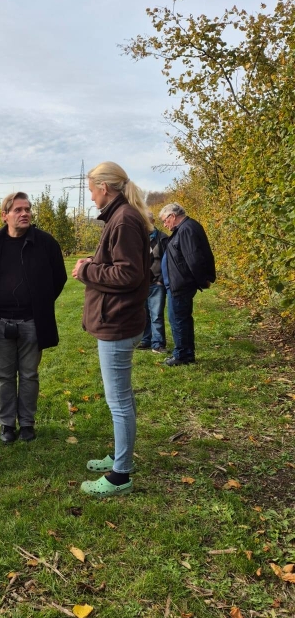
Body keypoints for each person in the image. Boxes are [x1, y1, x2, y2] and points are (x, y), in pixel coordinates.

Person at [72, 162, 151, 498]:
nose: (91, 196)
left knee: (118, 401)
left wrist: (86, 272)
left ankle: (120, 475)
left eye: (91, 190)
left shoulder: (123, 219)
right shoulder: (122, 216)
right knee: (122, 398)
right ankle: (120, 456)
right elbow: (121, 265)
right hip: (119, 319)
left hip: (117, 322)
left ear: (104, 187)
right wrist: (92, 264)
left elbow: (128, 274)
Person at [0, 192, 67, 444]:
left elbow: (59, 278)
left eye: (27, 209)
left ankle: (27, 423)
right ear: (4, 215)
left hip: (32, 322)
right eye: (18, 210)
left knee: (29, 375)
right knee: (4, 376)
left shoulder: (45, 243)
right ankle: (7, 424)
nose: (25, 213)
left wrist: (40, 302)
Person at [159, 202, 216, 366]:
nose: (164, 225)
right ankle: (186, 353)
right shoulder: (185, 228)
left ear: (172, 216)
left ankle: (182, 355)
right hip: (178, 283)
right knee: (181, 319)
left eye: (165, 220)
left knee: (178, 320)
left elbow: (194, 258)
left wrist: (203, 280)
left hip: (181, 284)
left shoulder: (186, 229)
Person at [136, 211, 168, 354]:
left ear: (153, 222)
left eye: (146, 222)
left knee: (156, 315)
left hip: (157, 283)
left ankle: (158, 344)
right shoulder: (137, 238)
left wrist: (161, 280)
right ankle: (146, 340)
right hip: (141, 284)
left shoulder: (163, 238)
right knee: (144, 314)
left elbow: (168, 262)